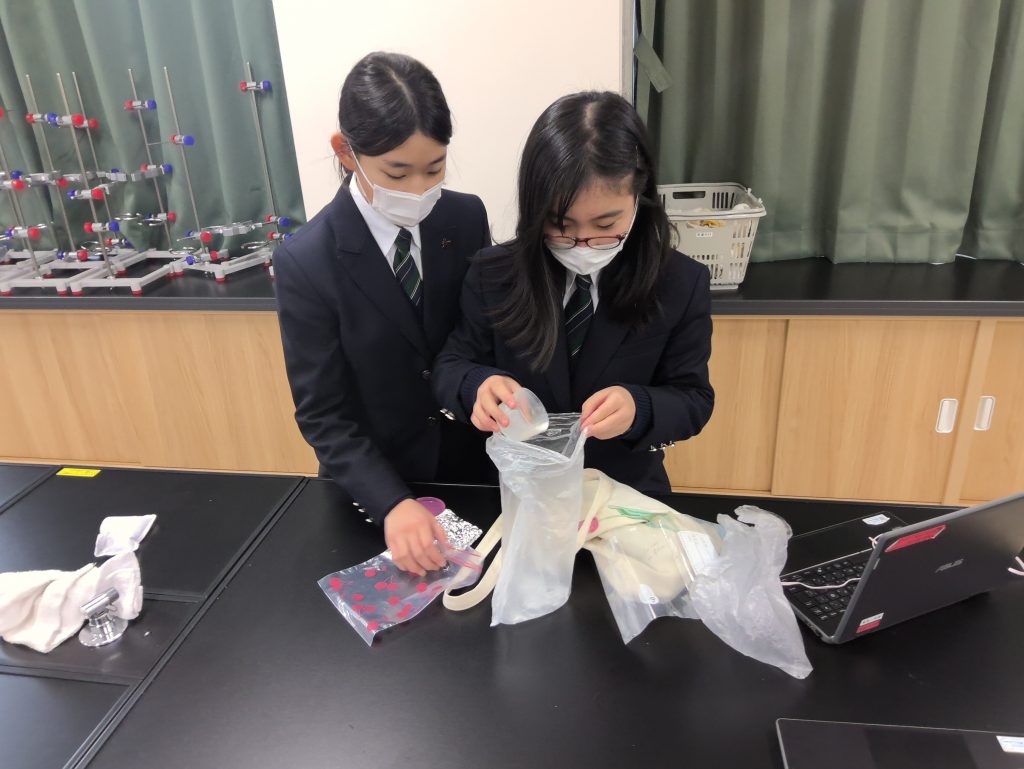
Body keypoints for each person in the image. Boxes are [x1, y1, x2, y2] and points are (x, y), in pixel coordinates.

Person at [432, 91, 714, 494]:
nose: (582, 242)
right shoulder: (493, 274)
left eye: (606, 225)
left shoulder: (679, 283)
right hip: (518, 491)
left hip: (624, 492)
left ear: (639, 195)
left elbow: (693, 398)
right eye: (560, 224)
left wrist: (639, 407)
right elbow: (451, 364)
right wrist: (476, 385)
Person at [275, 52, 491, 576]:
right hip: (373, 483)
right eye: (397, 171)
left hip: (471, 468)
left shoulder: (464, 217)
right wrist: (391, 502)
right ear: (345, 152)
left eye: (434, 168)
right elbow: (322, 413)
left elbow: (479, 335)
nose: (419, 189)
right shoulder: (307, 259)